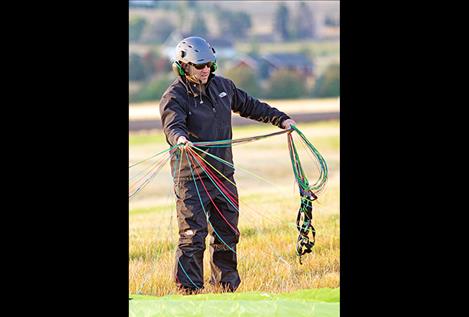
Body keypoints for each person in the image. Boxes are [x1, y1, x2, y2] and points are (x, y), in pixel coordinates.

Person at [159, 36, 296, 294]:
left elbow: (251, 106)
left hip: (223, 175)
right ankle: (189, 293)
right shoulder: (173, 96)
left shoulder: (224, 87)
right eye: (199, 65)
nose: (205, 69)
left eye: (209, 64)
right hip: (192, 179)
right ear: (183, 67)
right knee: (192, 237)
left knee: (227, 235)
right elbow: (172, 124)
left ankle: (226, 289)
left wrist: (282, 119)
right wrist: (180, 138)